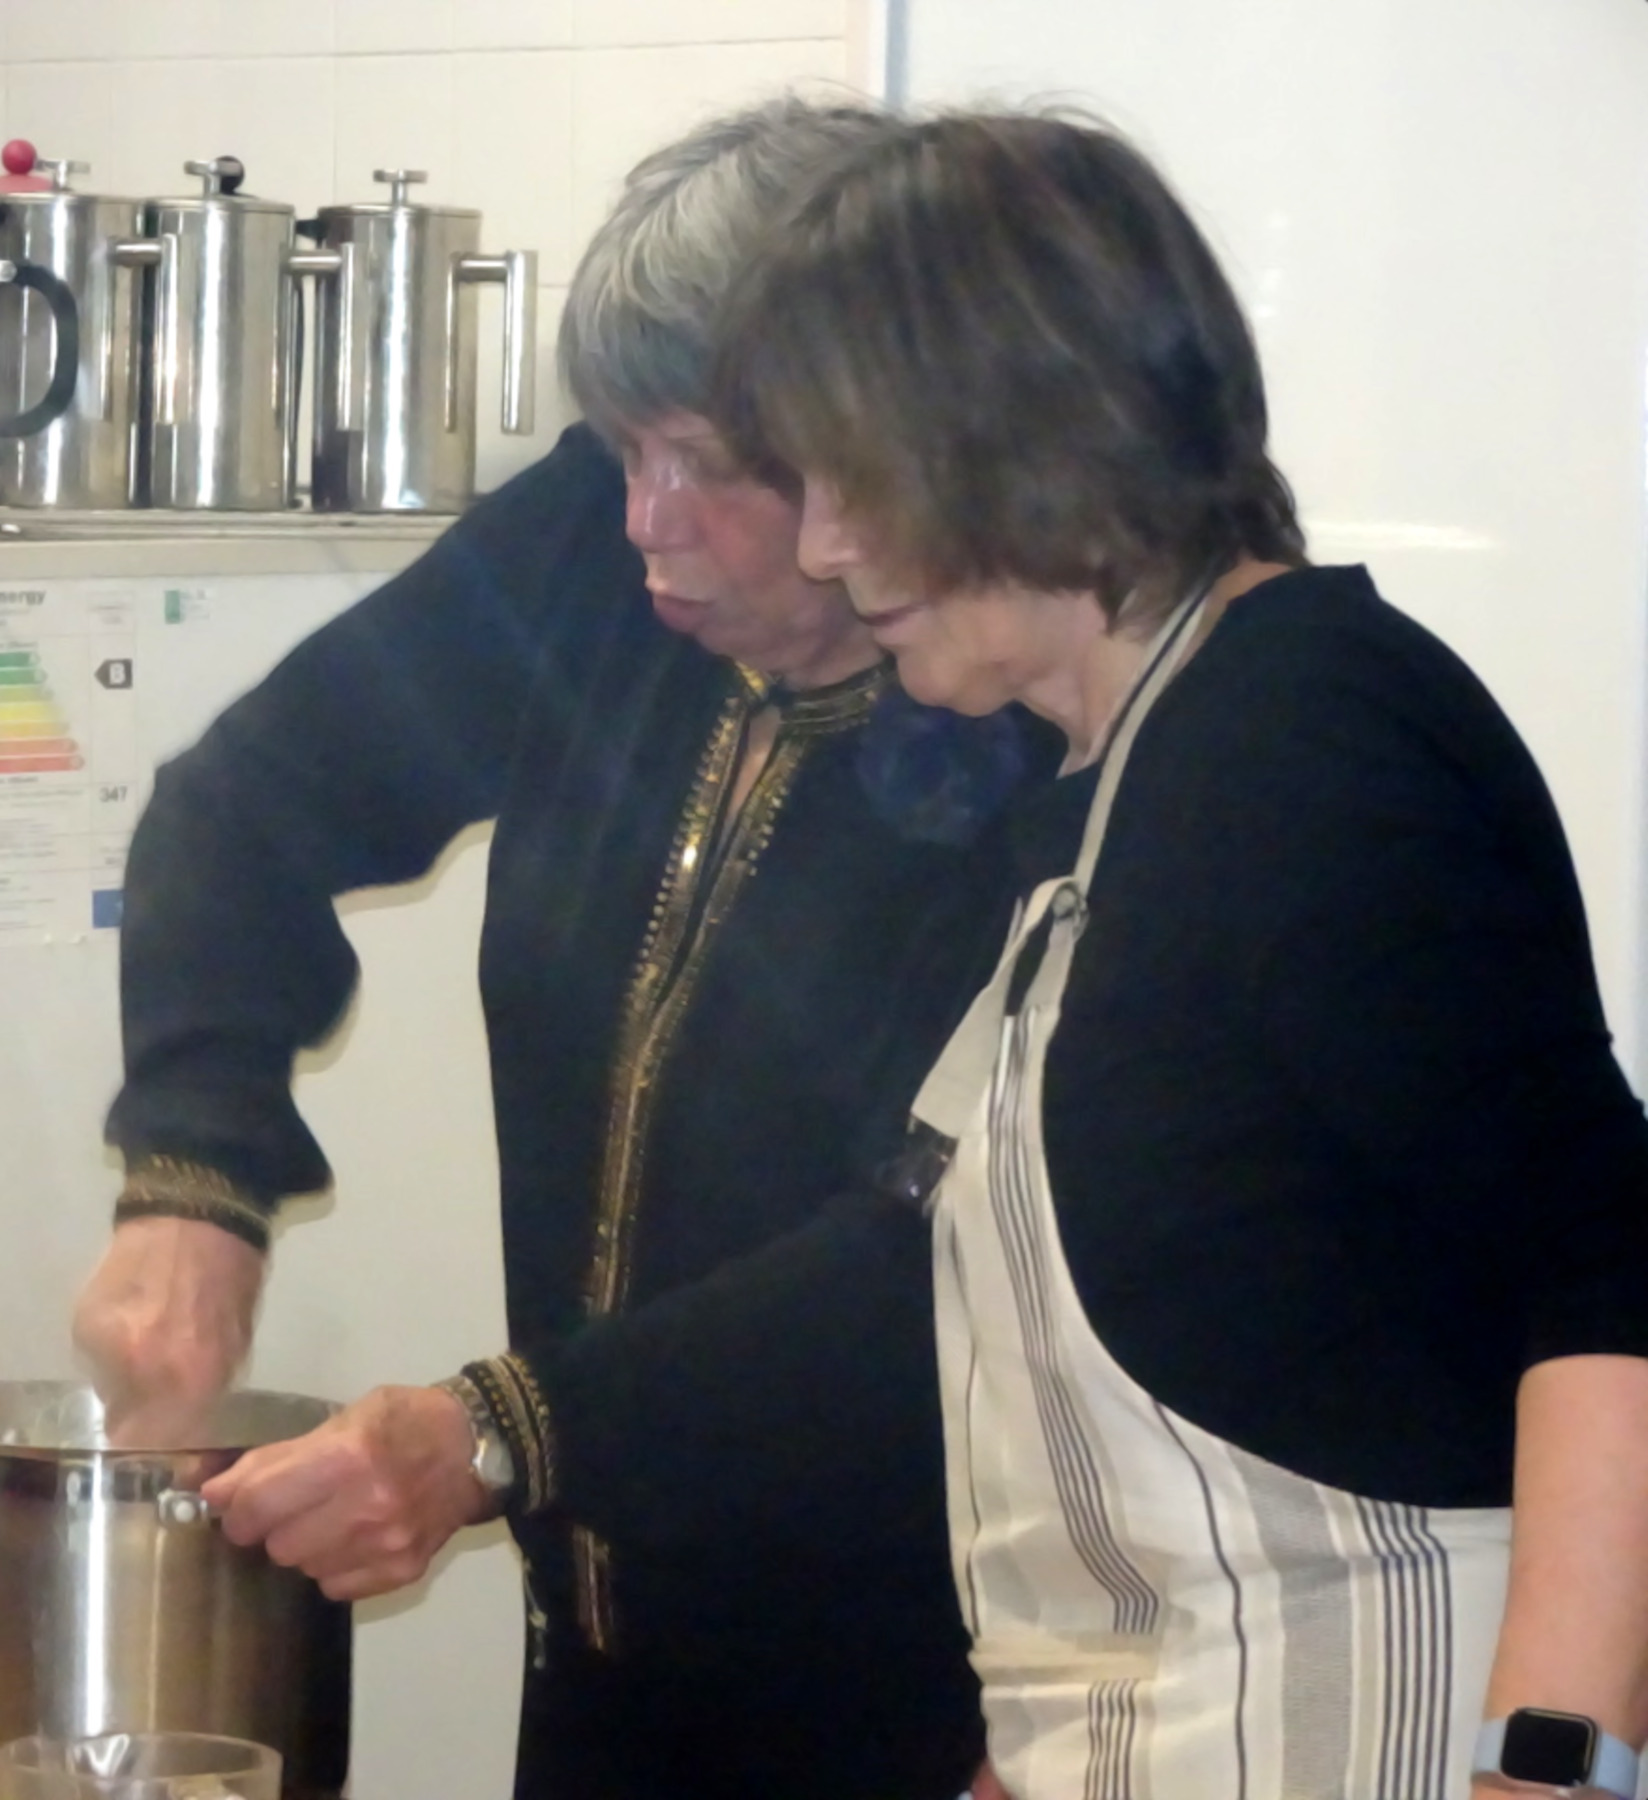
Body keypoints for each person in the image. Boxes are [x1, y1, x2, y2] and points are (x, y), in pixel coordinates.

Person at [72, 98, 1047, 1800]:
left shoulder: (1033, 733)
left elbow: (924, 1256)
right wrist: (196, 1168)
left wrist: (505, 1430)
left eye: (709, 465)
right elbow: (249, 806)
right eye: (621, 452)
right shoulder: (595, 564)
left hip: (931, 1693)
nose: (646, 521)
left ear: (884, 450)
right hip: (599, 1653)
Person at [715, 108, 1648, 1799]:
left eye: (854, 474)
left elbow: (1608, 1264)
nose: (825, 546)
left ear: (1021, 426)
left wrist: (1553, 1771)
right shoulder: (1095, 787)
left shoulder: (1307, 735)